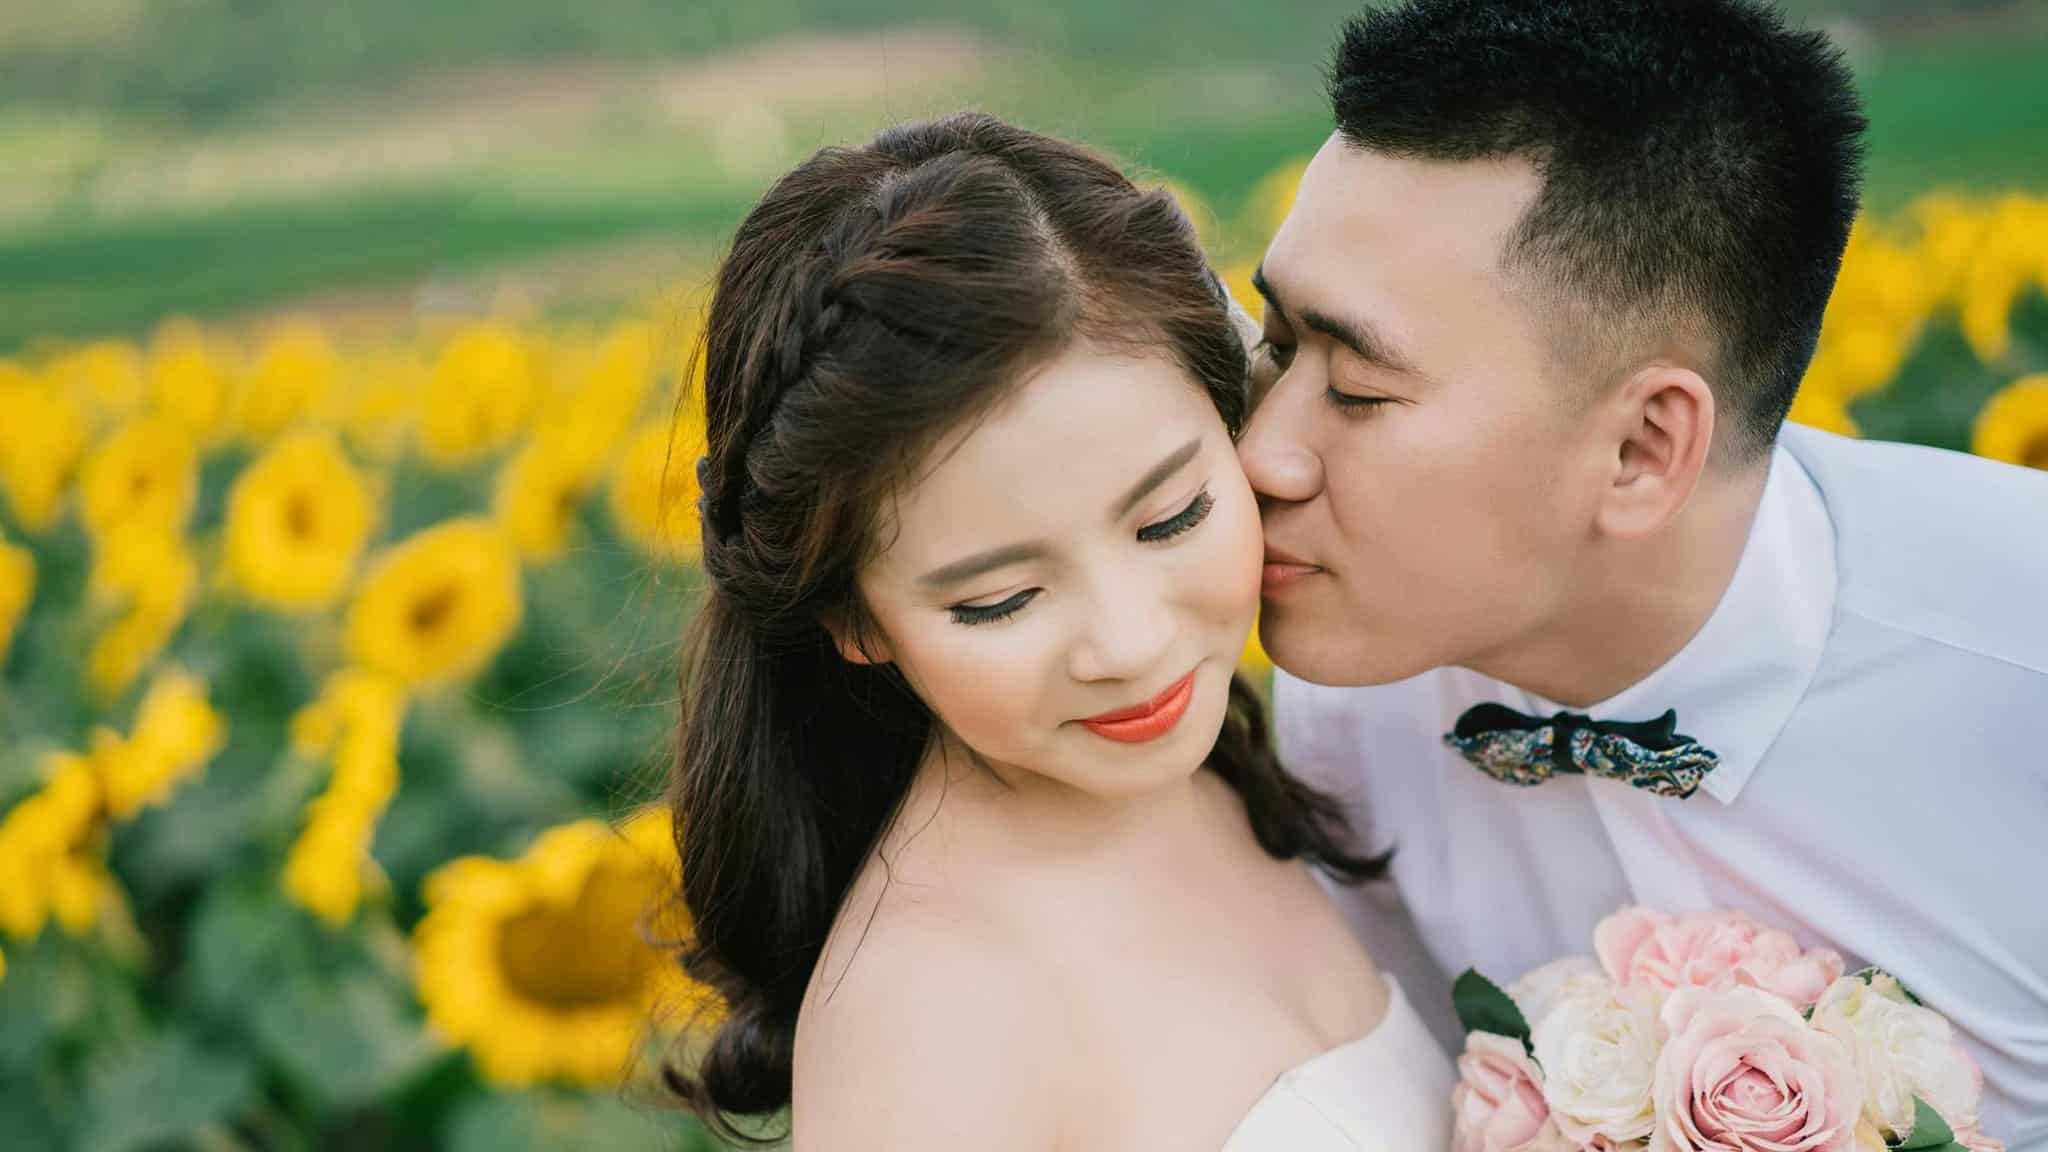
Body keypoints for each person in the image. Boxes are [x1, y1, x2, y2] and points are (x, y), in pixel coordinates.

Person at [1242, 0, 2048, 1145]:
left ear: (1640, 449)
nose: (1260, 456)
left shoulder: (2022, 657)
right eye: (1275, 346)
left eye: (1359, 394)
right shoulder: (1342, 695)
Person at [662, 112, 1453, 1150]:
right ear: (852, 617)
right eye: (997, 601)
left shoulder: (1224, 769)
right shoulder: (926, 1036)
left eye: (1170, 519)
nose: (1126, 644)